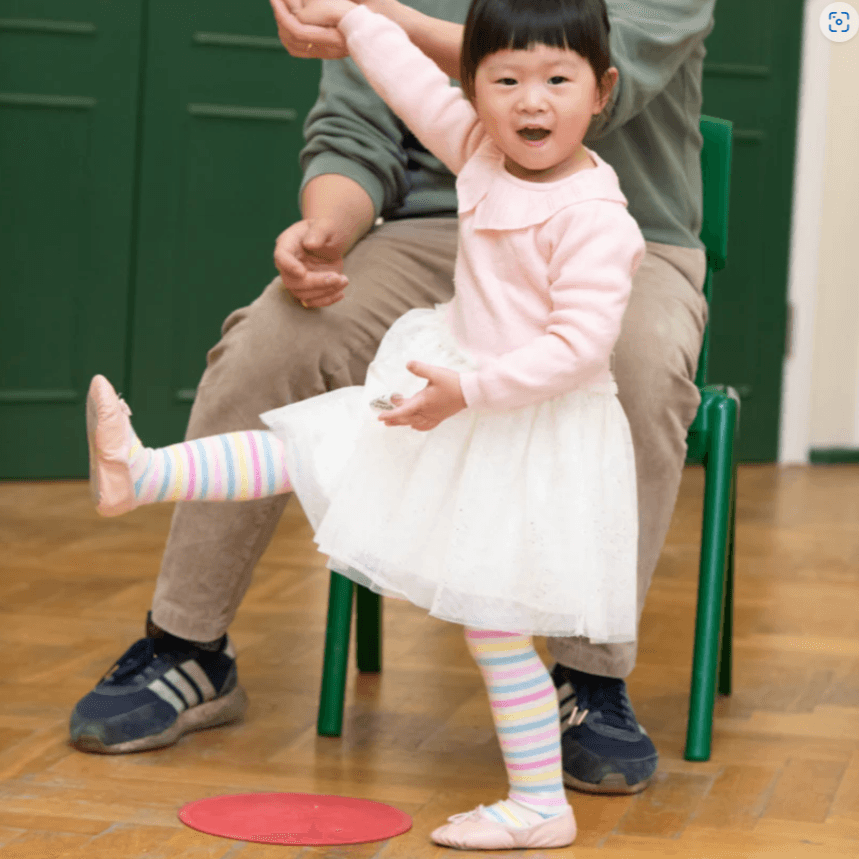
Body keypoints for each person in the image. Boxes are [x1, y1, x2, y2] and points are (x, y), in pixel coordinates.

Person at [70, 0, 715, 804]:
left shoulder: (584, 164)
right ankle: (187, 644)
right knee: (275, 339)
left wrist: (369, 17)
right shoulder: (437, 95)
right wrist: (325, 228)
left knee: (638, 369)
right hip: (450, 221)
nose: (527, 92)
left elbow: (593, 69)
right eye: (501, 78)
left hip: (621, 231)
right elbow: (362, 122)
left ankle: (586, 676)